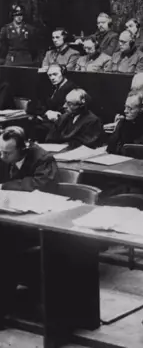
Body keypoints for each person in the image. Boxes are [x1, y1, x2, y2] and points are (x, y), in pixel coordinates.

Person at [0, 126, 59, 326]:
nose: (2, 156)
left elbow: (40, 186)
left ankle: (3, 308)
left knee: (5, 247)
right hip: (9, 219)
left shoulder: (43, 159)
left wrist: (5, 186)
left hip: (37, 224)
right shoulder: (4, 155)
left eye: (7, 153)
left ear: (23, 149)